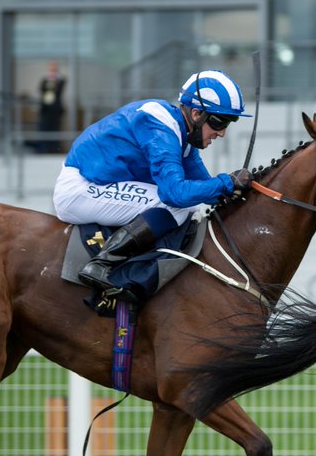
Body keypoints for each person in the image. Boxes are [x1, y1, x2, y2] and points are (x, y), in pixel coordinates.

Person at [53, 69, 253, 293]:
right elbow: (175, 193)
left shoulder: (182, 132)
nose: (222, 133)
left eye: (229, 123)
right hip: (80, 189)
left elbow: (204, 186)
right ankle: (101, 264)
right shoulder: (160, 126)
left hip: (100, 184)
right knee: (175, 206)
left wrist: (236, 190)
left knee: (191, 204)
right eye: (219, 122)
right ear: (197, 114)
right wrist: (226, 182)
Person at [36, 60, 66, 153]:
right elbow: (42, 90)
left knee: (55, 127)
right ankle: (43, 148)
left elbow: (58, 91)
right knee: (44, 127)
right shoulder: (45, 79)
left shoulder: (61, 79)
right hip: (45, 109)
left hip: (55, 109)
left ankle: (53, 148)